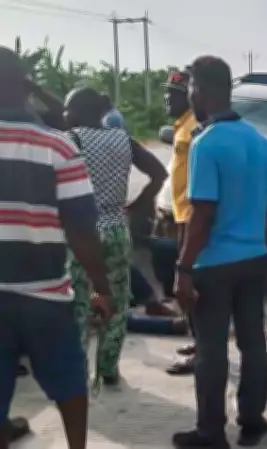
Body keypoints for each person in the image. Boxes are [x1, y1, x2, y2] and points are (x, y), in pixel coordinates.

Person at [0, 46, 113, 449]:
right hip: (45, 294)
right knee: (68, 381)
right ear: (25, 86)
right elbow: (81, 228)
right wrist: (102, 287)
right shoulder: (58, 146)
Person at [172, 55, 267, 449]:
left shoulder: (207, 142)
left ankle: (211, 432)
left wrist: (183, 268)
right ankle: (252, 419)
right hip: (254, 257)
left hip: (215, 263)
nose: (189, 95)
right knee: (253, 342)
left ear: (204, 90)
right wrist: (262, 248)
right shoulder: (260, 143)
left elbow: (202, 213)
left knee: (211, 349)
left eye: (191, 87)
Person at [63, 87, 167, 386]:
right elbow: (159, 173)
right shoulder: (123, 139)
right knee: (117, 301)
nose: (64, 114)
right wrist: (137, 205)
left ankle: (77, 373)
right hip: (117, 230)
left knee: (79, 303)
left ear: (79, 111)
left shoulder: (71, 140)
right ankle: (108, 368)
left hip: (82, 232)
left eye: (67, 109)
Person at [162, 70, 201, 376]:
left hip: (192, 216)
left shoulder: (195, 127)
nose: (167, 98)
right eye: (167, 92)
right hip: (181, 215)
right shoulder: (182, 126)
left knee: (193, 285)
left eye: (173, 94)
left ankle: (203, 350)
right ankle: (197, 340)